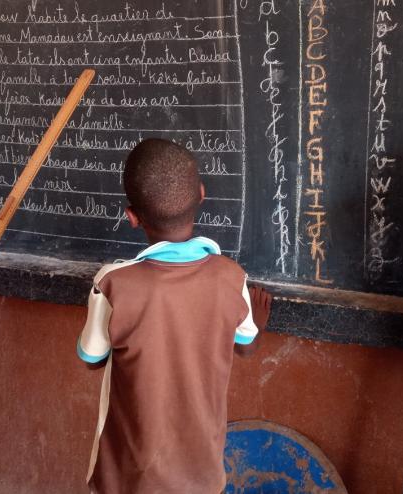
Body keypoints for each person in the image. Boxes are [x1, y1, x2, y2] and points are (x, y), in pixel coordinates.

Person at [77, 139, 272, 493]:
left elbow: (92, 359)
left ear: (132, 217)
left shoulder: (113, 285)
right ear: (201, 193)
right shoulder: (231, 277)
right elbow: (245, 346)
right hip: (201, 472)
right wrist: (257, 322)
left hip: (130, 475)